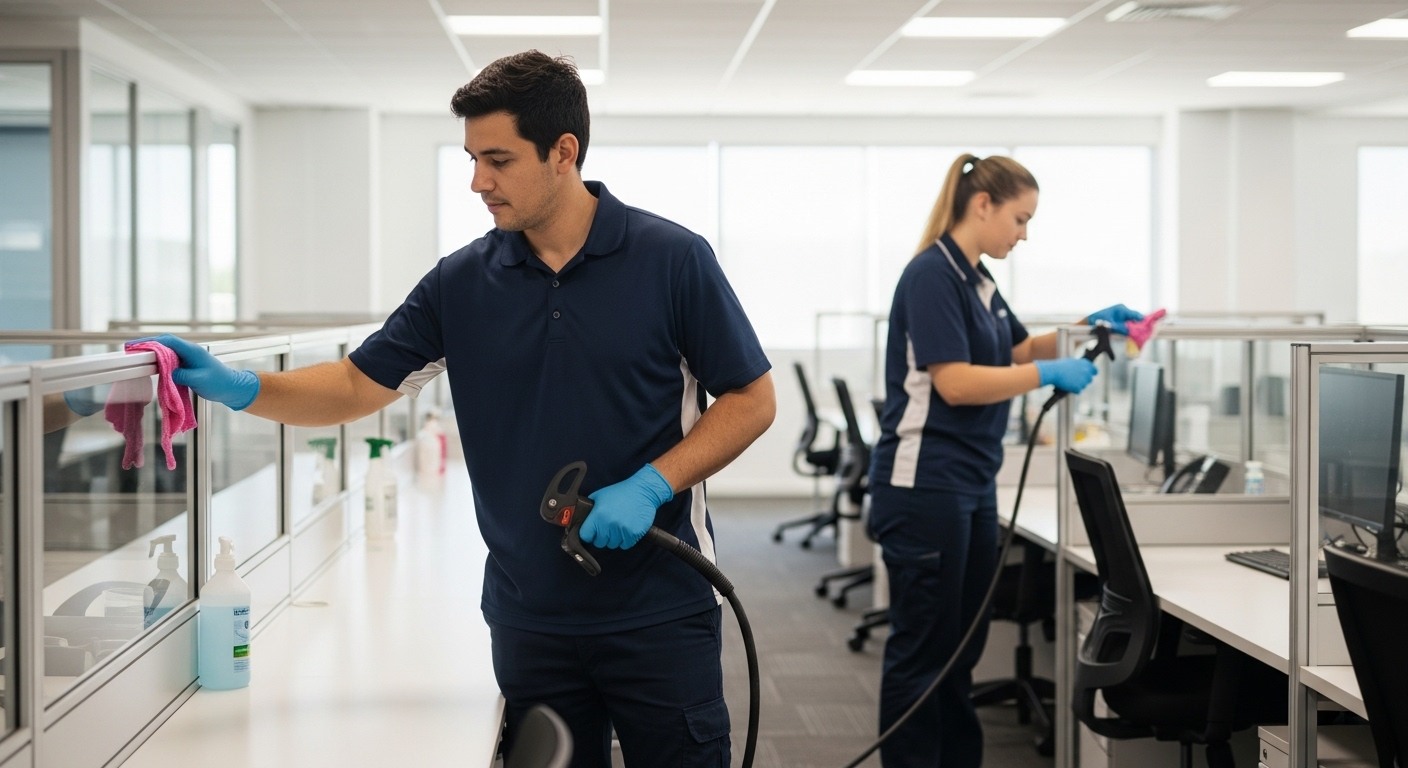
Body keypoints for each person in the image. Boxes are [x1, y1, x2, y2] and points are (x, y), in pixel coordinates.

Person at [149, 50, 774, 768]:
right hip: (528, 616)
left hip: (660, 611)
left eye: (499, 160)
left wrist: (653, 483)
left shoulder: (672, 261)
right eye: (473, 158)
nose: (478, 181)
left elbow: (752, 398)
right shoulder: (462, 283)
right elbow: (358, 385)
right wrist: (243, 386)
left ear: (563, 153)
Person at [867, 153, 1142, 768]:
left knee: (962, 648)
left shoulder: (978, 279)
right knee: (924, 651)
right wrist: (1046, 373)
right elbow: (956, 384)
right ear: (983, 205)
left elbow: (1016, 345)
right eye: (1020, 219)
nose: (1024, 234)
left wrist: (1086, 325)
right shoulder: (932, 275)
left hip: (970, 481)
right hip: (924, 484)